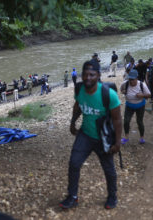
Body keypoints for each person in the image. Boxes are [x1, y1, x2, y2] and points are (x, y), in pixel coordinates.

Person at [59, 60, 122, 210]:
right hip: (85, 135)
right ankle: (72, 196)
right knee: (74, 164)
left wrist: (117, 143)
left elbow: (117, 119)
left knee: (108, 169)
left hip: (103, 138)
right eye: (85, 74)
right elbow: (78, 105)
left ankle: (112, 196)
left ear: (98, 75)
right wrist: (73, 122)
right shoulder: (79, 89)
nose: (88, 78)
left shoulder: (109, 95)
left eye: (92, 74)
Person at [120, 69, 151, 145]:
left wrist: (142, 95)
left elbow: (149, 95)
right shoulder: (125, 83)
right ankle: (126, 137)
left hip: (140, 106)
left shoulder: (142, 85)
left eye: (133, 79)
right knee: (126, 121)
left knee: (139, 121)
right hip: (129, 106)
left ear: (137, 78)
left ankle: (142, 137)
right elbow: (121, 89)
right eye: (130, 79)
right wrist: (123, 91)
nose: (131, 81)